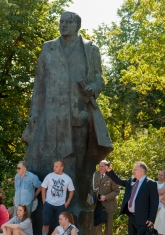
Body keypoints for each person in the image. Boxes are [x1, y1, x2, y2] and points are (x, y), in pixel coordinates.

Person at [22, 11, 113, 204]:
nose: (63, 25)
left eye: (68, 22)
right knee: (47, 161)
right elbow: (39, 85)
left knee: (79, 164)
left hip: (78, 115)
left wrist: (93, 87)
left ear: (77, 25)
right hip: (51, 116)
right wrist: (34, 116)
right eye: (61, 22)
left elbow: (99, 79)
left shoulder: (89, 49)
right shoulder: (48, 48)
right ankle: (46, 207)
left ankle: (77, 203)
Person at [105, 161, 159, 235]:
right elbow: (119, 181)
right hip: (132, 217)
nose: (133, 171)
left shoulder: (150, 183)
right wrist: (110, 171)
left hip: (143, 219)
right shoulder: (132, 181)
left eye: (135, 169)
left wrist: (151, 218)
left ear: (142, 171)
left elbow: (154, 202)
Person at [86, 160, 120, 235]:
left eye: (102, 166)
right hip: (97, 203)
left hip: (108, 204)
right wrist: (92, 197)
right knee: (94, 222)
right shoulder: (96, 174)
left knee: (108, 225)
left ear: (107, 167)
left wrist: (106, 197)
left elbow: (117, 190)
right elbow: (91, 188)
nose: (100, 168)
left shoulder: (112, 175)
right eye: (99, 166)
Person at [41, 160, 75, 235]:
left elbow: (72, 190)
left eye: (56, 166)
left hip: (60, 205)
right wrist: (44, 201)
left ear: (61, 168)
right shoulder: (49, 176)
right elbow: (43, 187)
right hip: (48, 203)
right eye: (54, 166)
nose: (54, 168)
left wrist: (67, 202)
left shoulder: (67, 178)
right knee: (46, 223)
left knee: (59, 225)